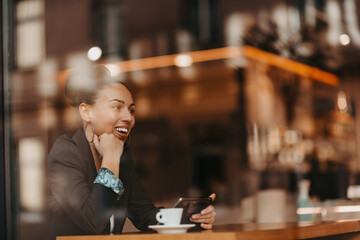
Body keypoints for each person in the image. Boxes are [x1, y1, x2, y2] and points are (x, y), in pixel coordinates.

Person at [48, 66, 216, 239]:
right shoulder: (66, 153)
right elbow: (94, 221)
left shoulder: (121, 155)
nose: (128, 117)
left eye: (131, 110)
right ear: (86, 112)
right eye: (116, 107)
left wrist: (192, 217)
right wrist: (111, 159)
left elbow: (145, 215)